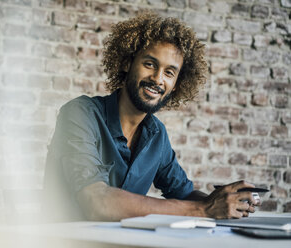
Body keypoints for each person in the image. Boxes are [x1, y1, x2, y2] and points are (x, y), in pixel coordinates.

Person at [43, 12, 258, 222]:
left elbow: (184, 194)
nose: (157, 78)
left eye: (169, 73)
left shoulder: (156, 134)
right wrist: (204, 209)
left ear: (175, 86)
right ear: (127, 63)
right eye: (149, 64)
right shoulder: (80, 114)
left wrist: (227, 202)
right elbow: (97, 202)